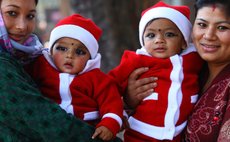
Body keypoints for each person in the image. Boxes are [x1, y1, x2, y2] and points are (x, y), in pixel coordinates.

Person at [126, 0, 230, 141]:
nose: (208, 35)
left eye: (222, 27)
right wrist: (131, 100)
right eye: (202, 25)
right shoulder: (186, 67)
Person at [0, 0, 103, 141]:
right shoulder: (3, 64)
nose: (22, 27)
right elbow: (51, 124)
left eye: (30, 16)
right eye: (12, 13)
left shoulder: (27, 59)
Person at [108, 1, 204, 141]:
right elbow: (109, 85)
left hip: (177, 136)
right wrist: (117, 114)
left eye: (169, 34)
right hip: (139, 135)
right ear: (143, 40)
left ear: (184, 41)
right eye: (151, 35)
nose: (159, 40)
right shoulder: (137, 61)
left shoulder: (194, 59)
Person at [26, 14, 123, 141]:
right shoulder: (40, 66)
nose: (69, 55)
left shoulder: (98, 79)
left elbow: (112, 104)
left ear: (90, 57)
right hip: (49, 128)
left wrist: (109, 125)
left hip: (86, 129)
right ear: (51, 50)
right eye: (62, 48)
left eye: (80, 52)